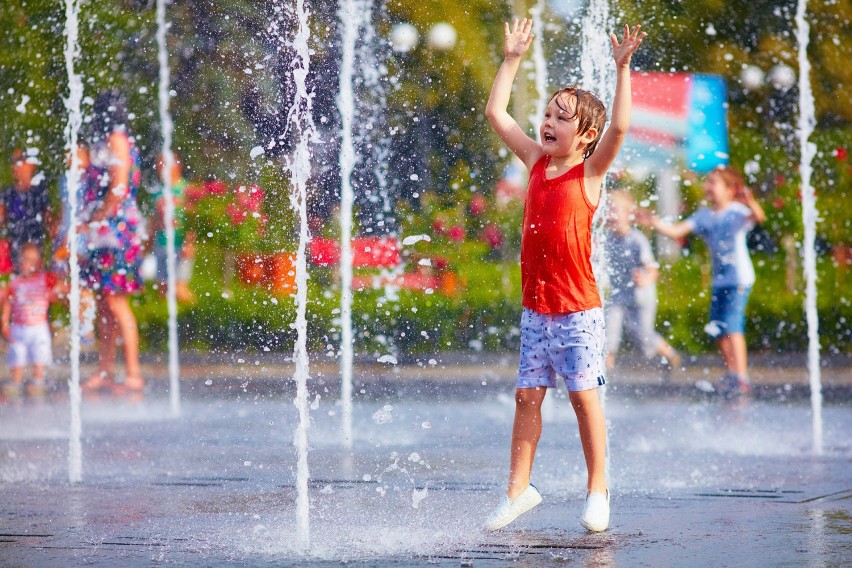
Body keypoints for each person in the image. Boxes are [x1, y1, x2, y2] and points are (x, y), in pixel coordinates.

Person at [483, 18, 645, 533]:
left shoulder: (589, 173)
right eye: (548, 113)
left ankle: (598, 489)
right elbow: (496, 112)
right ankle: (519, 490)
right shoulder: (533, 161)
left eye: (562, 117)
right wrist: (511, 59)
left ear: (587, 136)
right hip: (537, 307)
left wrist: (622, 70)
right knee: (527, 395)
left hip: (577, 308)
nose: (548, 122)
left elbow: (620, 128)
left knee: (582, 397)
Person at [641, 165, 766, 398]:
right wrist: (656, 223)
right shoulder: (704, 216)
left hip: (738, 278)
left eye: (713, 183)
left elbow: (758, 217)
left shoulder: (738, 211)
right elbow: (678, 231)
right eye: (707, 182)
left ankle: (741, 376)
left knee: (733, 326)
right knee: (719, 329)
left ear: (729, 189)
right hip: (720, 281)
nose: (707, 187)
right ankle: (731, 373)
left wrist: (751, 202)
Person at [78, 90, 146, 395]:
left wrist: (93, 219)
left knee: (116, 302)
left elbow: (118, 190)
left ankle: (132, 373)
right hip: (104, 230)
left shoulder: (118, 139)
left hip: (116, 232)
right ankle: (105, 371)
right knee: (105, 303)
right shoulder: (107, 141)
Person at [603, 190, 680, 373]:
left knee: (643, 337)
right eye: (608, 210)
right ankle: (602, 375)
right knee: (608, 335)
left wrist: (646, 278)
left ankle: (670, 355)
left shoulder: (638, 240)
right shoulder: (606, 239)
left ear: (629, 214)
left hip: (641, 297)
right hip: (618, 295)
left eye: (616, 210)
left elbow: (654, 271)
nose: (611, 215)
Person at [1, 243, 63, 398]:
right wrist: (4, 322)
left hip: (39, 327)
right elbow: (8, 301)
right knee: (17, 354)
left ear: (40, 263)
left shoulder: (44, 279)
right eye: (26, 260)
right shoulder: (15, 282)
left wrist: (57, 294)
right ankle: (16, 381)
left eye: (33, 261)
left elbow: (59, 290)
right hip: (19, 327)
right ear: (20, 262)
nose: (30, 264)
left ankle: (38, 380)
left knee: (39, 354)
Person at [149, 153, 196, 303]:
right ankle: (163, 323)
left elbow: (194, 221)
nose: (160, 169)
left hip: (179, 244)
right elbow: (153, 222)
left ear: (177, 165)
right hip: (161, 245)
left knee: (179, 287)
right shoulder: (158, 192)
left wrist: (189, 243)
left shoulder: (187, 189)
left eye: (165, 164)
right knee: (162, 288)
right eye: (159, 165)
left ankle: (194, 316)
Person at [0, 149, 53, 266]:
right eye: (14, 162)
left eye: (20, 161)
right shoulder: (8, 193)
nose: (17, 166)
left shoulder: (40, 191)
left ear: (32, 165)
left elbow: (49, 220)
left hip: (35, 247)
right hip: (16, 249)